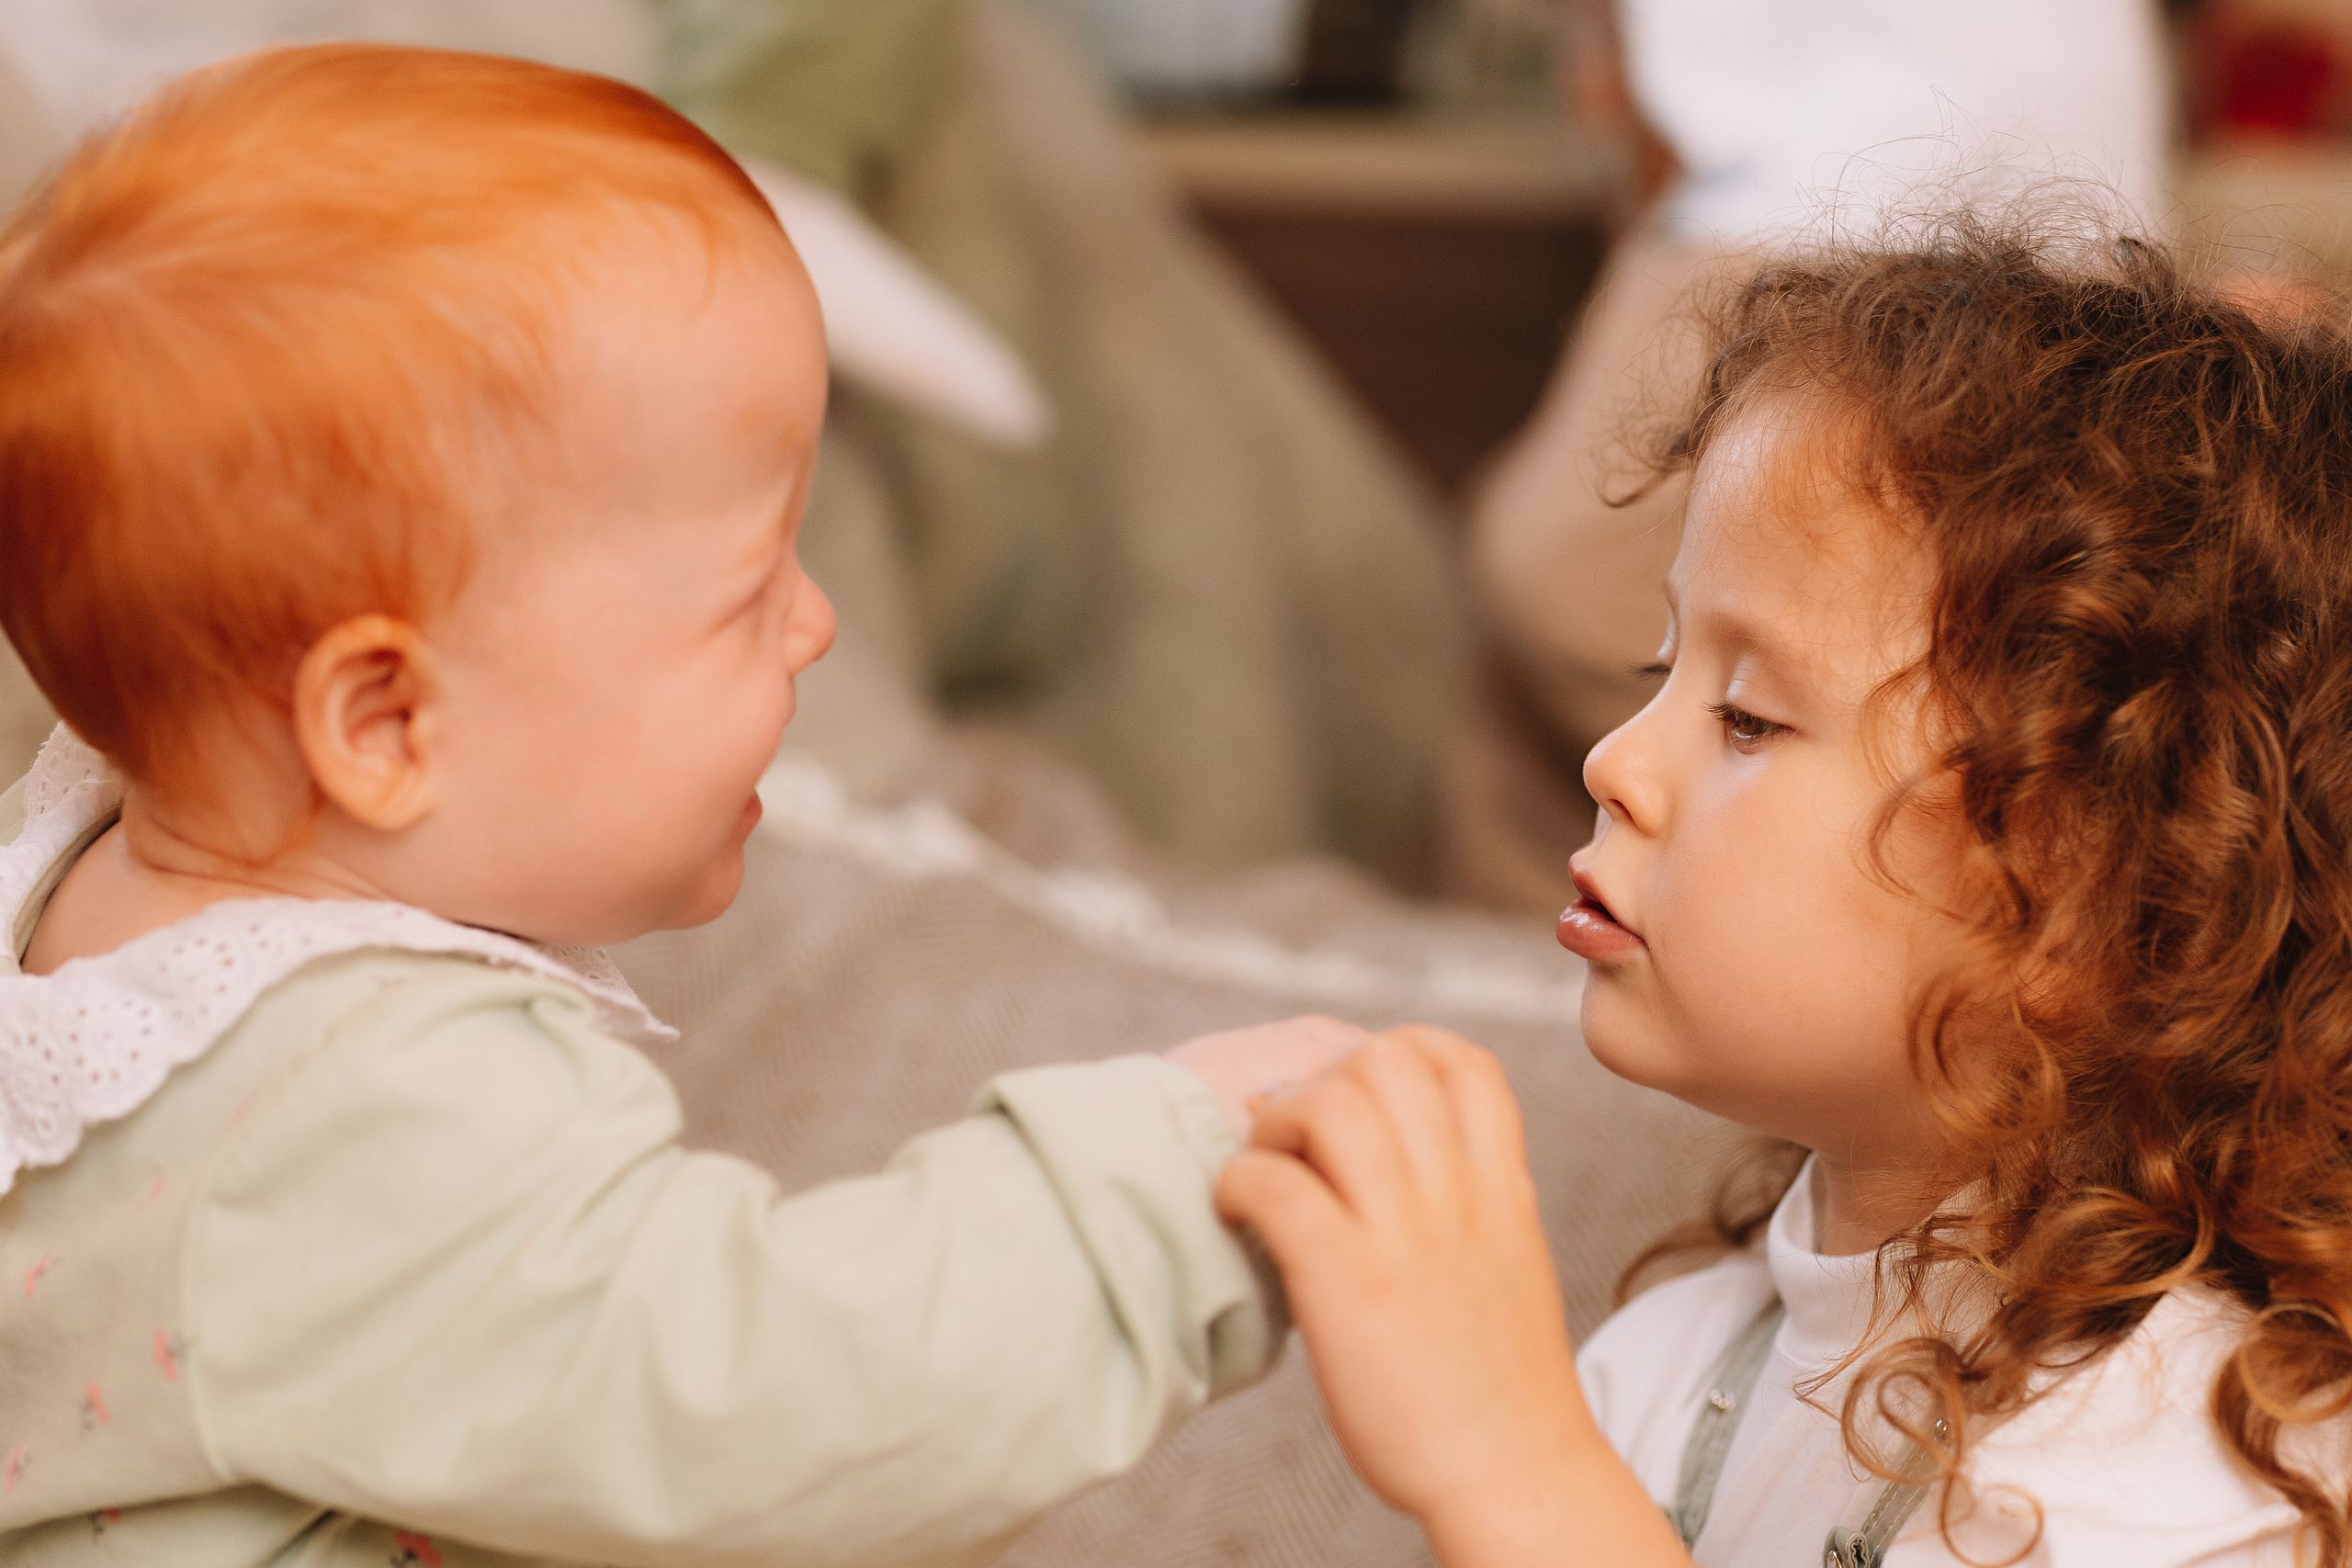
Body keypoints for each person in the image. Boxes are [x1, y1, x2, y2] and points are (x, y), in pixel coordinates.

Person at [0, 43, 1362, 1565]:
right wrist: (1174, 1191)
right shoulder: (369, 1114)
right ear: (383, 723)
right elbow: (789, 1405)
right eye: (743, 594)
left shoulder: (85, 909)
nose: (814, 625)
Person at [1224, 221, 2352, 1565]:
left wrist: (1502, 1460)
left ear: (2088, 901)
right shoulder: (1665, 1374)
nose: (1615, 760)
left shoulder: (2196, 1477)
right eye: (1661, 669)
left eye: (1749, 716)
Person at [1442, 0, 2170, 914]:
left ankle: (1895, 894)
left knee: (1561, 579)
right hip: (1899, 176)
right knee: (1528, 693)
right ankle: (1543, 968)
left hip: (1833, 189)